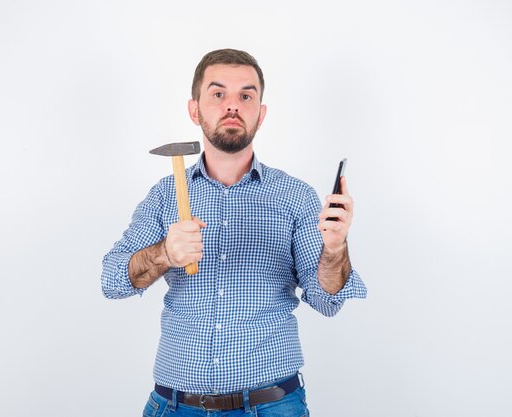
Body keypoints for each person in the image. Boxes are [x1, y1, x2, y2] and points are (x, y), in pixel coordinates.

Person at [101, 48, 367, 417]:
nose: (232, 106)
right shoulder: (165, 195)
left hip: (271, 406)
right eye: (218, 93)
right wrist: (165, 254)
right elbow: (112, 281)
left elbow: (327, 301)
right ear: (194, 110)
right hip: (176, 407)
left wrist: (335, 249)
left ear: (261, 113)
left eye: (246, 95)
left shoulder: (295, 196)